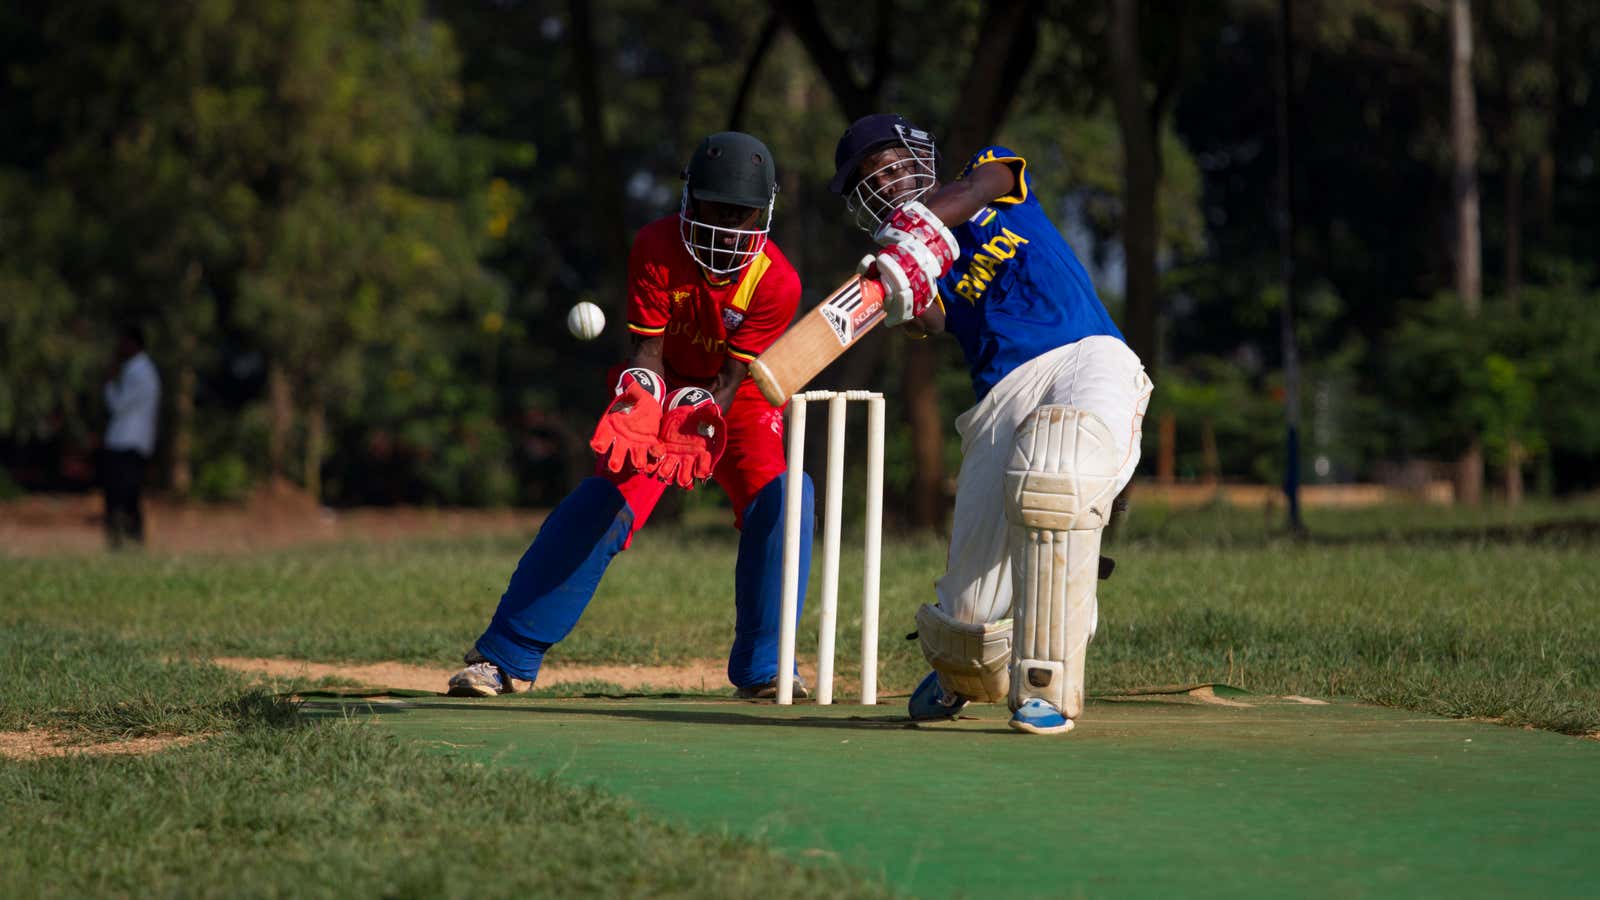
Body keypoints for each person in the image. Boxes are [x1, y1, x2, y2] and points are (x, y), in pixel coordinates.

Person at [448, 132, 814, 699]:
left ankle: (767, 667)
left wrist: (702, 411)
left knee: (789, 501)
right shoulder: (657, 244)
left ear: (762, 217)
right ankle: (505, 656)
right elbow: (648, 354)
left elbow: (730, 381)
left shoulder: (779, 282)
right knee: (603, 501)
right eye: (714, 209)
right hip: (661, 387)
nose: (724, 228)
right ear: (690, 200)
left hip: (732, 401)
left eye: (739, 216)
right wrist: (643, 397)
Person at [828, 113, 1154, 735]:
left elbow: (984, 184)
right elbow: (932, 320)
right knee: (966, 634)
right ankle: (979, 662)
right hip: (1000, 397)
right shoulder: (923, 264)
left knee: (1058, 475)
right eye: (871, 179)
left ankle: (1048, 685)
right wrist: (896, 289)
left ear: (923, 158)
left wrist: (920, 225)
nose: (888, 182)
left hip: (1083, 354)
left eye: (894, 164)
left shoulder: (988, 176)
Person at [101, 324, 161, 548]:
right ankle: (129, 541)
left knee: (121, 496)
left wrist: (108, 384)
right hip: (135, 441)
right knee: (128, 495)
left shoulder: (137, 371)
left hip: (126, 441)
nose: (119, 347)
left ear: (134, 344)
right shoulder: (144, 370)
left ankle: (123, 541)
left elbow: (118, 406)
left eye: (123, 342)